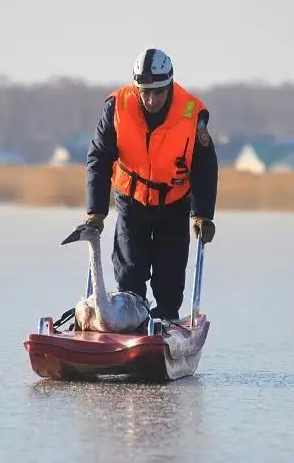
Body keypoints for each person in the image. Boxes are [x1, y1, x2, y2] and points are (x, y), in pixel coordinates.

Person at [81, 48, 218, 323]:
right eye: (145, 92)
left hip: (174, 203)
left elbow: (205, 167)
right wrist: (96, 213)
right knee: (130, 272)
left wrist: (202, 215)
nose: (151, 100)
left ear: (169, 86)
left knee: (169, 279)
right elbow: (98, 158)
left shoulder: (192, 113)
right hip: (132, 202)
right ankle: (131, 322)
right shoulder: (116, 107)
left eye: (158, 93)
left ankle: (165, 322)